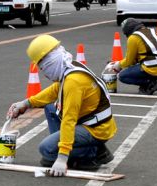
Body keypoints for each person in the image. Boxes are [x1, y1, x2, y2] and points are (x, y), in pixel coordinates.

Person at [7, 34, 117, 175]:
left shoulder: (74, 82)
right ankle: (78, 148)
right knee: (50, 108)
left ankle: (92, 154)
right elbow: (55, 90)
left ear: (49, 62)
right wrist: (27, 103)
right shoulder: (70, 66)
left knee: (46, 150)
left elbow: (69, 119)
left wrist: (62, 158)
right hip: (92, 122)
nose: (43, 72)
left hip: (96, 128)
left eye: (42, 67)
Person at [109, 18, 157, 95]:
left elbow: (129, 61)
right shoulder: (152, 31)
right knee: (138, 66)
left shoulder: (133, 38)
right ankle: (150, 83)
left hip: (153, 69)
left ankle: (149, 84)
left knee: (122, 76)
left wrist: (117, 65)